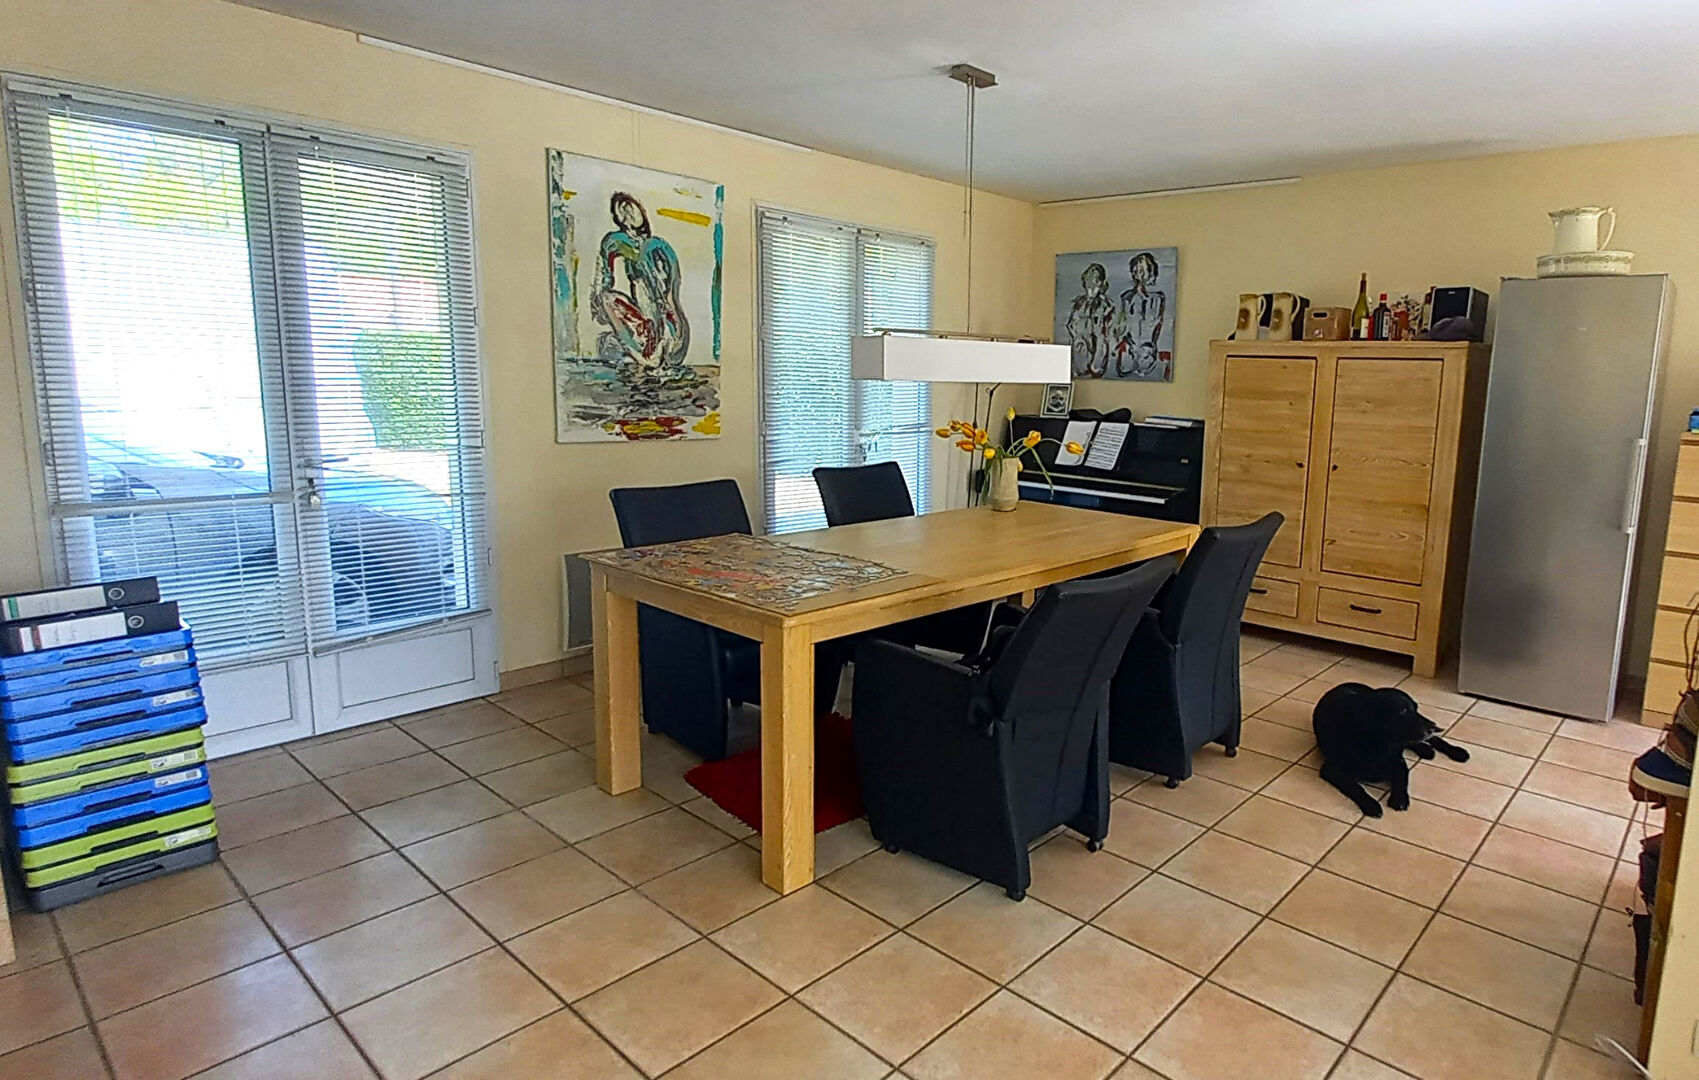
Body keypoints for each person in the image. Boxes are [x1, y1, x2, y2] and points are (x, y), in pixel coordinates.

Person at [592, 192, 689, 369]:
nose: (628, 214)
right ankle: (645, 353)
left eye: (631, 208)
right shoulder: (615, 241)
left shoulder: (658, 245)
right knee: (607, 299)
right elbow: (604, 278)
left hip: (666, 318)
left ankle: (653, 350)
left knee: (665, 329)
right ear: (619, 219)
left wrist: (673, 323)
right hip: (644, 315)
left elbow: (672, 289)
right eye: (622, 212)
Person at [1114, 251, 1168, 379]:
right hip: (1131, 348)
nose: (1141, 274)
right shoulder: (1127, 298)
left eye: (1144, 270)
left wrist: (1151, 347)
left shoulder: (1157, 299)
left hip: (1148, 347)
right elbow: (1122, 325)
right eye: (1138, 270)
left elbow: (1158, 325)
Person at [1063, 262, 1116, 377]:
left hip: (1097, 351)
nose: (1091, 281)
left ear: (1100, 282)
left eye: (1095, 277)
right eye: (1089, 277)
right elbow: (1070, 325)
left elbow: (1107, 331)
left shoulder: (1106, 305)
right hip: (1080, 351)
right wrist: (1077, 339)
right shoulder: (1078, 303)